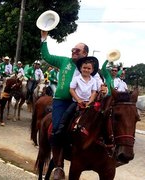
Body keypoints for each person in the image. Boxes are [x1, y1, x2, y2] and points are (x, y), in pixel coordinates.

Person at [40, 30, 89, 178]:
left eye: (77, 50)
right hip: (61, 101)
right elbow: (46, 56)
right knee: (56, 128)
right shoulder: (63, 61)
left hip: (81, 102)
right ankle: (59, 166)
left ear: (85, 54)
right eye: (73, 49)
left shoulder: (88, 66)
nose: (74, 51)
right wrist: (44, 37)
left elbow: (98, 80)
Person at [55, 57, 99, 140]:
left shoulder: (93, 80)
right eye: (84, 68)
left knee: (97, 116)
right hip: (77, 102)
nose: (86, 70)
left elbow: (94, 92)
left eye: (89, 68)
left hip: (88, 103)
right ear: (81, 68)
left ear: (92, 70)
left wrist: (90, 102)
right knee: (67, 113)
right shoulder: (76, 79)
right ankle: (60, 130)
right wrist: (78, 100)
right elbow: (71, 89)